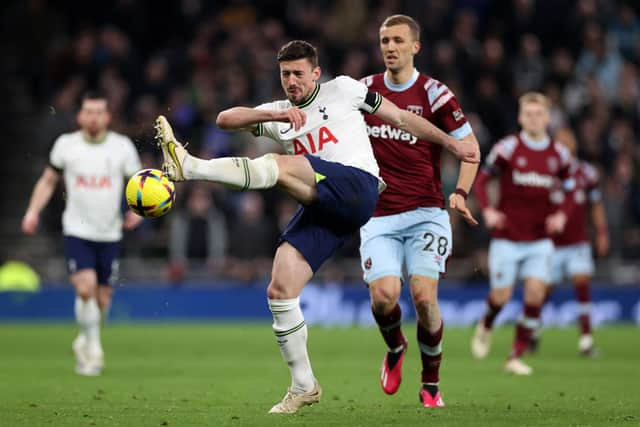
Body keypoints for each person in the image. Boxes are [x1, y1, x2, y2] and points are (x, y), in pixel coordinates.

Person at [154, 40, 479, 414]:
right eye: (284, 74)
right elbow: (224, 119)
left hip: (359, 187)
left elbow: (402, 119)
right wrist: (276, 119)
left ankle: (190, 168)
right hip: (323, 203)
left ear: (316, 73)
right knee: (280, 288)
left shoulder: (344, 89)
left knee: (282, 165)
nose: (291, 81)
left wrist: (450, 144)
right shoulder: (280, 113)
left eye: (298, 73)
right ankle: (303, 385)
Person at [358, 15, 479, 408]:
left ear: (415, 47)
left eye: (397, 40)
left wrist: (460, 191)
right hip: (378, 214)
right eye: (383, 41)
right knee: (383, 298)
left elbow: (470, 149)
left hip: (427, 211)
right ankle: (395, 348)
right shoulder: (364, 91)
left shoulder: (435, 94)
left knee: (424, 298)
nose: (389, 47)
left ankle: (430, 383)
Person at [22, 92, 143, 376]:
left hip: (110, 232)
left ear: (108, 116)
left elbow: (139, 182)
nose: (93, 117)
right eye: (88, 111)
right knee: (85, 289)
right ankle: (93, 349)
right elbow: (48, 180)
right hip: (76, 230)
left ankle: (84, 339)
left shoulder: (122, 147)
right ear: (79, 116)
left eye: (99, 111)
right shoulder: (66, 146)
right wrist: (32, 211)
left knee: (103, 299)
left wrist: (137, 211)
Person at [471, 92, 573, 375]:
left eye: (539, 113)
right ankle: (487, 324)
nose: (534, 118)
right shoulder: (508, 148)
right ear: (520, 117)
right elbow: (482, 180)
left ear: (548, 118)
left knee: (535, 295)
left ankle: (514, 356)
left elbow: (571, 189)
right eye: (528, 113)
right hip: (507, 237)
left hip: (540, 239)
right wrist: (489, 210)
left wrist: (561, 214)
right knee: (501, 296)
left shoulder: (559, 154)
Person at [534, 127, 608, 356]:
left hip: (578, 242)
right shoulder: (545, 171)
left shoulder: (586, 173)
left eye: (569, 140)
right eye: (561, 141)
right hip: (550, 244)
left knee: (582, 283)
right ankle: (533, 331)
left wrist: (602, 232)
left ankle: (586, 341)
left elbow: (595, 205)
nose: (565, 145)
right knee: (544, 291)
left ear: (574, 144)